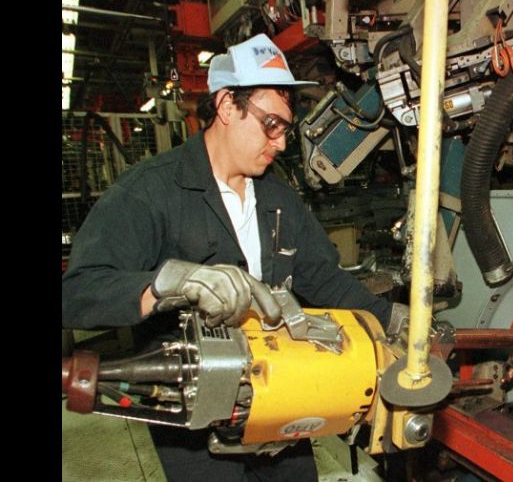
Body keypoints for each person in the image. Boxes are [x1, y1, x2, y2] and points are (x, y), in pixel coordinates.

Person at [62, 34, 402, 481]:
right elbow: (78, 292)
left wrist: (395, 322)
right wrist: (167, 285)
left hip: (279, 391)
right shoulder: (149, 192)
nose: (280, 143)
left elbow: (324, 279)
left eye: (285, 129)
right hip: (193, 409)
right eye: (270, 125)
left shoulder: (278, 197)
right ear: (226, 105)